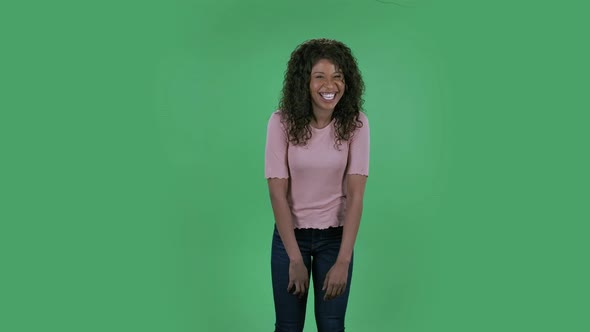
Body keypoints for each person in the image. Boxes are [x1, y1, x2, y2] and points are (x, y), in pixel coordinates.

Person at [264, 38, 370, 332]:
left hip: (335, 240)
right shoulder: (280, 123)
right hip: (289, 239)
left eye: (338, 76)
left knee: (332, 326)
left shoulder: (356, 124)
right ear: (304, 82)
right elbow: (277, 194)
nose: (330, 85)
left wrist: (343, 260)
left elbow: (356, 196)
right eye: (320, 76)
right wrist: (294, 257)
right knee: (287, 327)